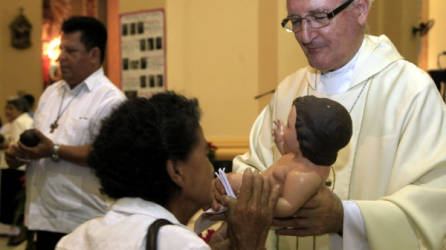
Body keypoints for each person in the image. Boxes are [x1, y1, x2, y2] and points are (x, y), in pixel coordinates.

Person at [232, 0, 446, 249]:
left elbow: (433, 202)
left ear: (361, 9)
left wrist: (345, 218)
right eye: (296, 21)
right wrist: (233, 190)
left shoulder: (410, 92)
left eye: (319, 17)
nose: (305, 35)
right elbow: (256, 165)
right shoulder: (289, 90)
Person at [55, 92, 280, 250]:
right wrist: (250, 243)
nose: (211, 167)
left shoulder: (76, 239)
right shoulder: (178, 243)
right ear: (176, 170)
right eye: (203, 155)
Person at [5, 16, 126, 250]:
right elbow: (38, 144)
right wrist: (19, 155)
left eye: (71, 51)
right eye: (61, 49)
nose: (61, 57)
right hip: (42, 216)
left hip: (82, 221)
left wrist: (55, 150)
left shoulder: (110, 99)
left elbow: (107, 155)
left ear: (94, 54)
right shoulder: (51, 93)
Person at [216, 96, 352, 218]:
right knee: (227, 181)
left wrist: (255, 200)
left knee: (227, 186)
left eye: (288, 126)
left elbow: (287, 206)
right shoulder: (301, 157)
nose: (284, 130)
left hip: (261, 196)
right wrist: (281, 141)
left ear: (304, 138)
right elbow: (287, 158)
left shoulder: (303, 176)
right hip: (260, 186)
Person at [0, 97, 33, 246]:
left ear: (20, 109)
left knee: (13, 201)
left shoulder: (20, 122)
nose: (7, 111)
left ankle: (16, 231)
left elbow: (17, 145)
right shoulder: (25, 120)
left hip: (16, 167)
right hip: (22, 168)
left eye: (11, 108)